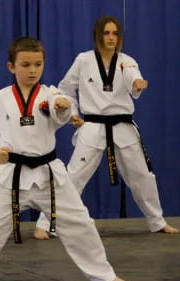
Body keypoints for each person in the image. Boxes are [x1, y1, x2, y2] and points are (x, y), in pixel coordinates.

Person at [0, 37, 128, 281]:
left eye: (38, 64)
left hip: (49, 176)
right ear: (11, 67)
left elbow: (61, 112)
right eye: (25, 64)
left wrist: (64, 107)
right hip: (12, 176)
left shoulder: (50, 96)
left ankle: (103, 274)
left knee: (81, 223)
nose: (33, 70)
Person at [33, 16, 178, 240]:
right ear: (98, 35)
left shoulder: (126, 61)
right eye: (106, 33)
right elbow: (65, 89)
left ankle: (157, 221)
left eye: (115, 33)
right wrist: (72, 113)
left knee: (143, 176)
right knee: (74, 176)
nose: (111, 38)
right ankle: (47, 222)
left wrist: (137, 83)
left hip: (123, 127)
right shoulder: (83, 60)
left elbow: (132, 75)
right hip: (92, 126)